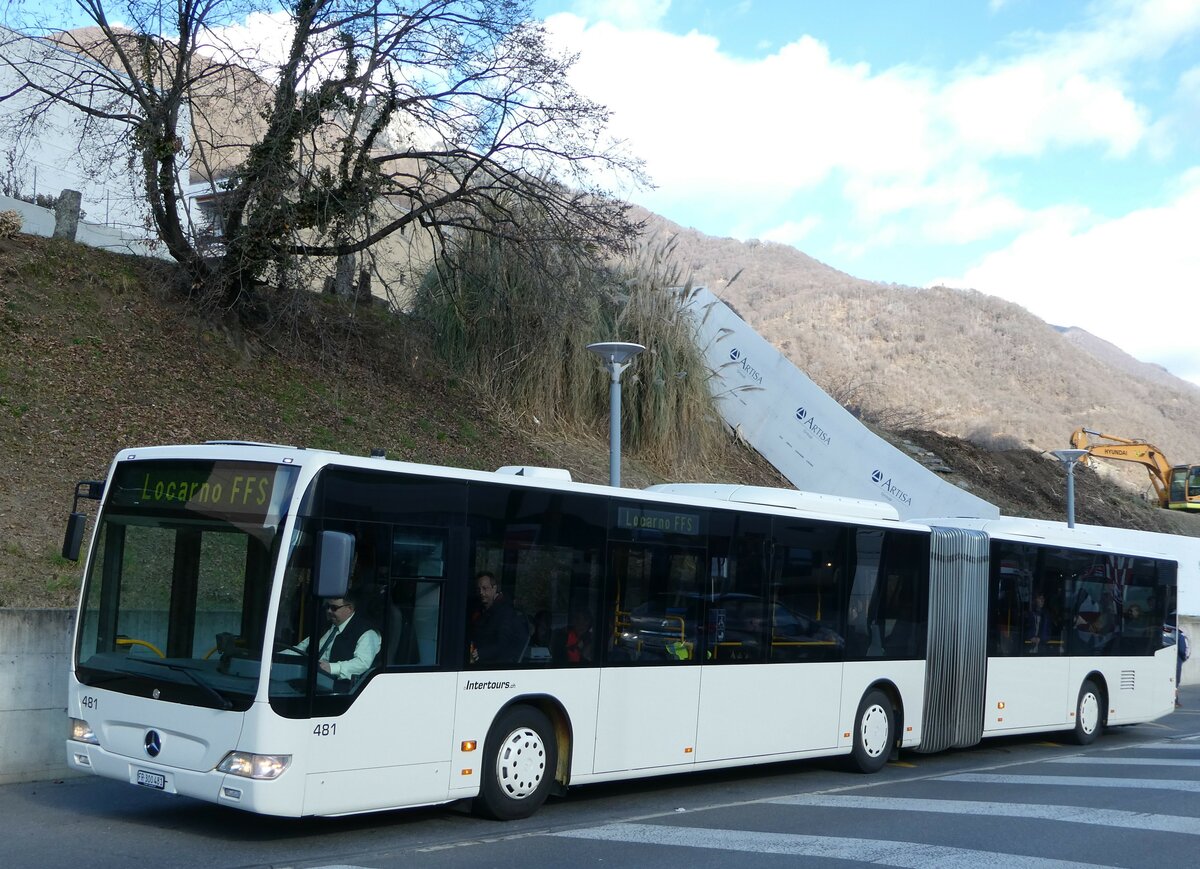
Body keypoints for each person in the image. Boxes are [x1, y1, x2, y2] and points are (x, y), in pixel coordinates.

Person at [290, 591, 381, 689]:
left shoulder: (367, 632)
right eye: (328, 606)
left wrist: (332, 668)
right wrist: (279, 656)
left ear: (349, 608)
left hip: (340, 689)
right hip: (310, 679)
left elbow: (362, 663)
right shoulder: (327, 626)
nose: (329, 611)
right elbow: (302, 648)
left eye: (334, 608)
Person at [469, 572, 529, 664]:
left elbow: (503, 644)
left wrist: (482, 652)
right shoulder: (480, 610)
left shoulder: (505, 613)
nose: (481, 592)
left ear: (494, 588)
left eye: (485, 588)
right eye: (478, 589)